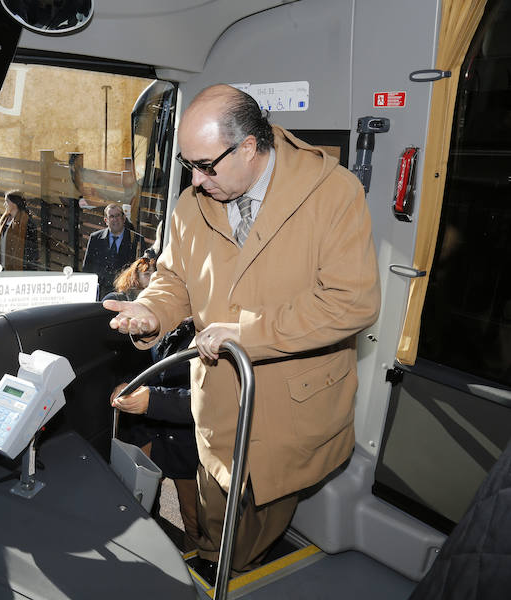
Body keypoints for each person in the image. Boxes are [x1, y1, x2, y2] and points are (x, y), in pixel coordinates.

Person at [104, 84, 381, 578]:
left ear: (250, 147)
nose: (195, 178)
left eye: (206, 165)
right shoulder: (195, 201)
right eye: (189, 164)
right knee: (216, 515)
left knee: (250, 527)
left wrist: (246, 332)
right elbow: (173, 278)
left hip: (288, 409)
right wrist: (151, 313)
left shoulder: (334, 193)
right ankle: (212, 560)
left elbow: (352, 301)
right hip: (217, 403)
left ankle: (227, 571)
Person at [109, 252, 200, 551]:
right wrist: (127, 386)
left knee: (195, 520)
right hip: (150, 430)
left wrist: (152, 401)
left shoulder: (206, 333)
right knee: (140, 503)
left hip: (188, 441)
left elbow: (208, 401)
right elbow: (149, 369)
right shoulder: (154, 328)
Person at [82, 203, 145, 299]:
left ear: (124, 218)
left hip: (124, 295)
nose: (115, 219)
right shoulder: (95, 238)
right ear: (106, 220)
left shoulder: (137, 240)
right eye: (111, 216)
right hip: (100, 295)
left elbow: (141, 272)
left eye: (118, 216)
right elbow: (87, 268)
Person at [0, 190, 38, 270]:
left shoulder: (27, 223)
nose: (4, 204)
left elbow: (31, 250)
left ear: (15, 203)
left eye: (7, 201)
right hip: (2, 268)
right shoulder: (4, 220)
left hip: (20, 270)